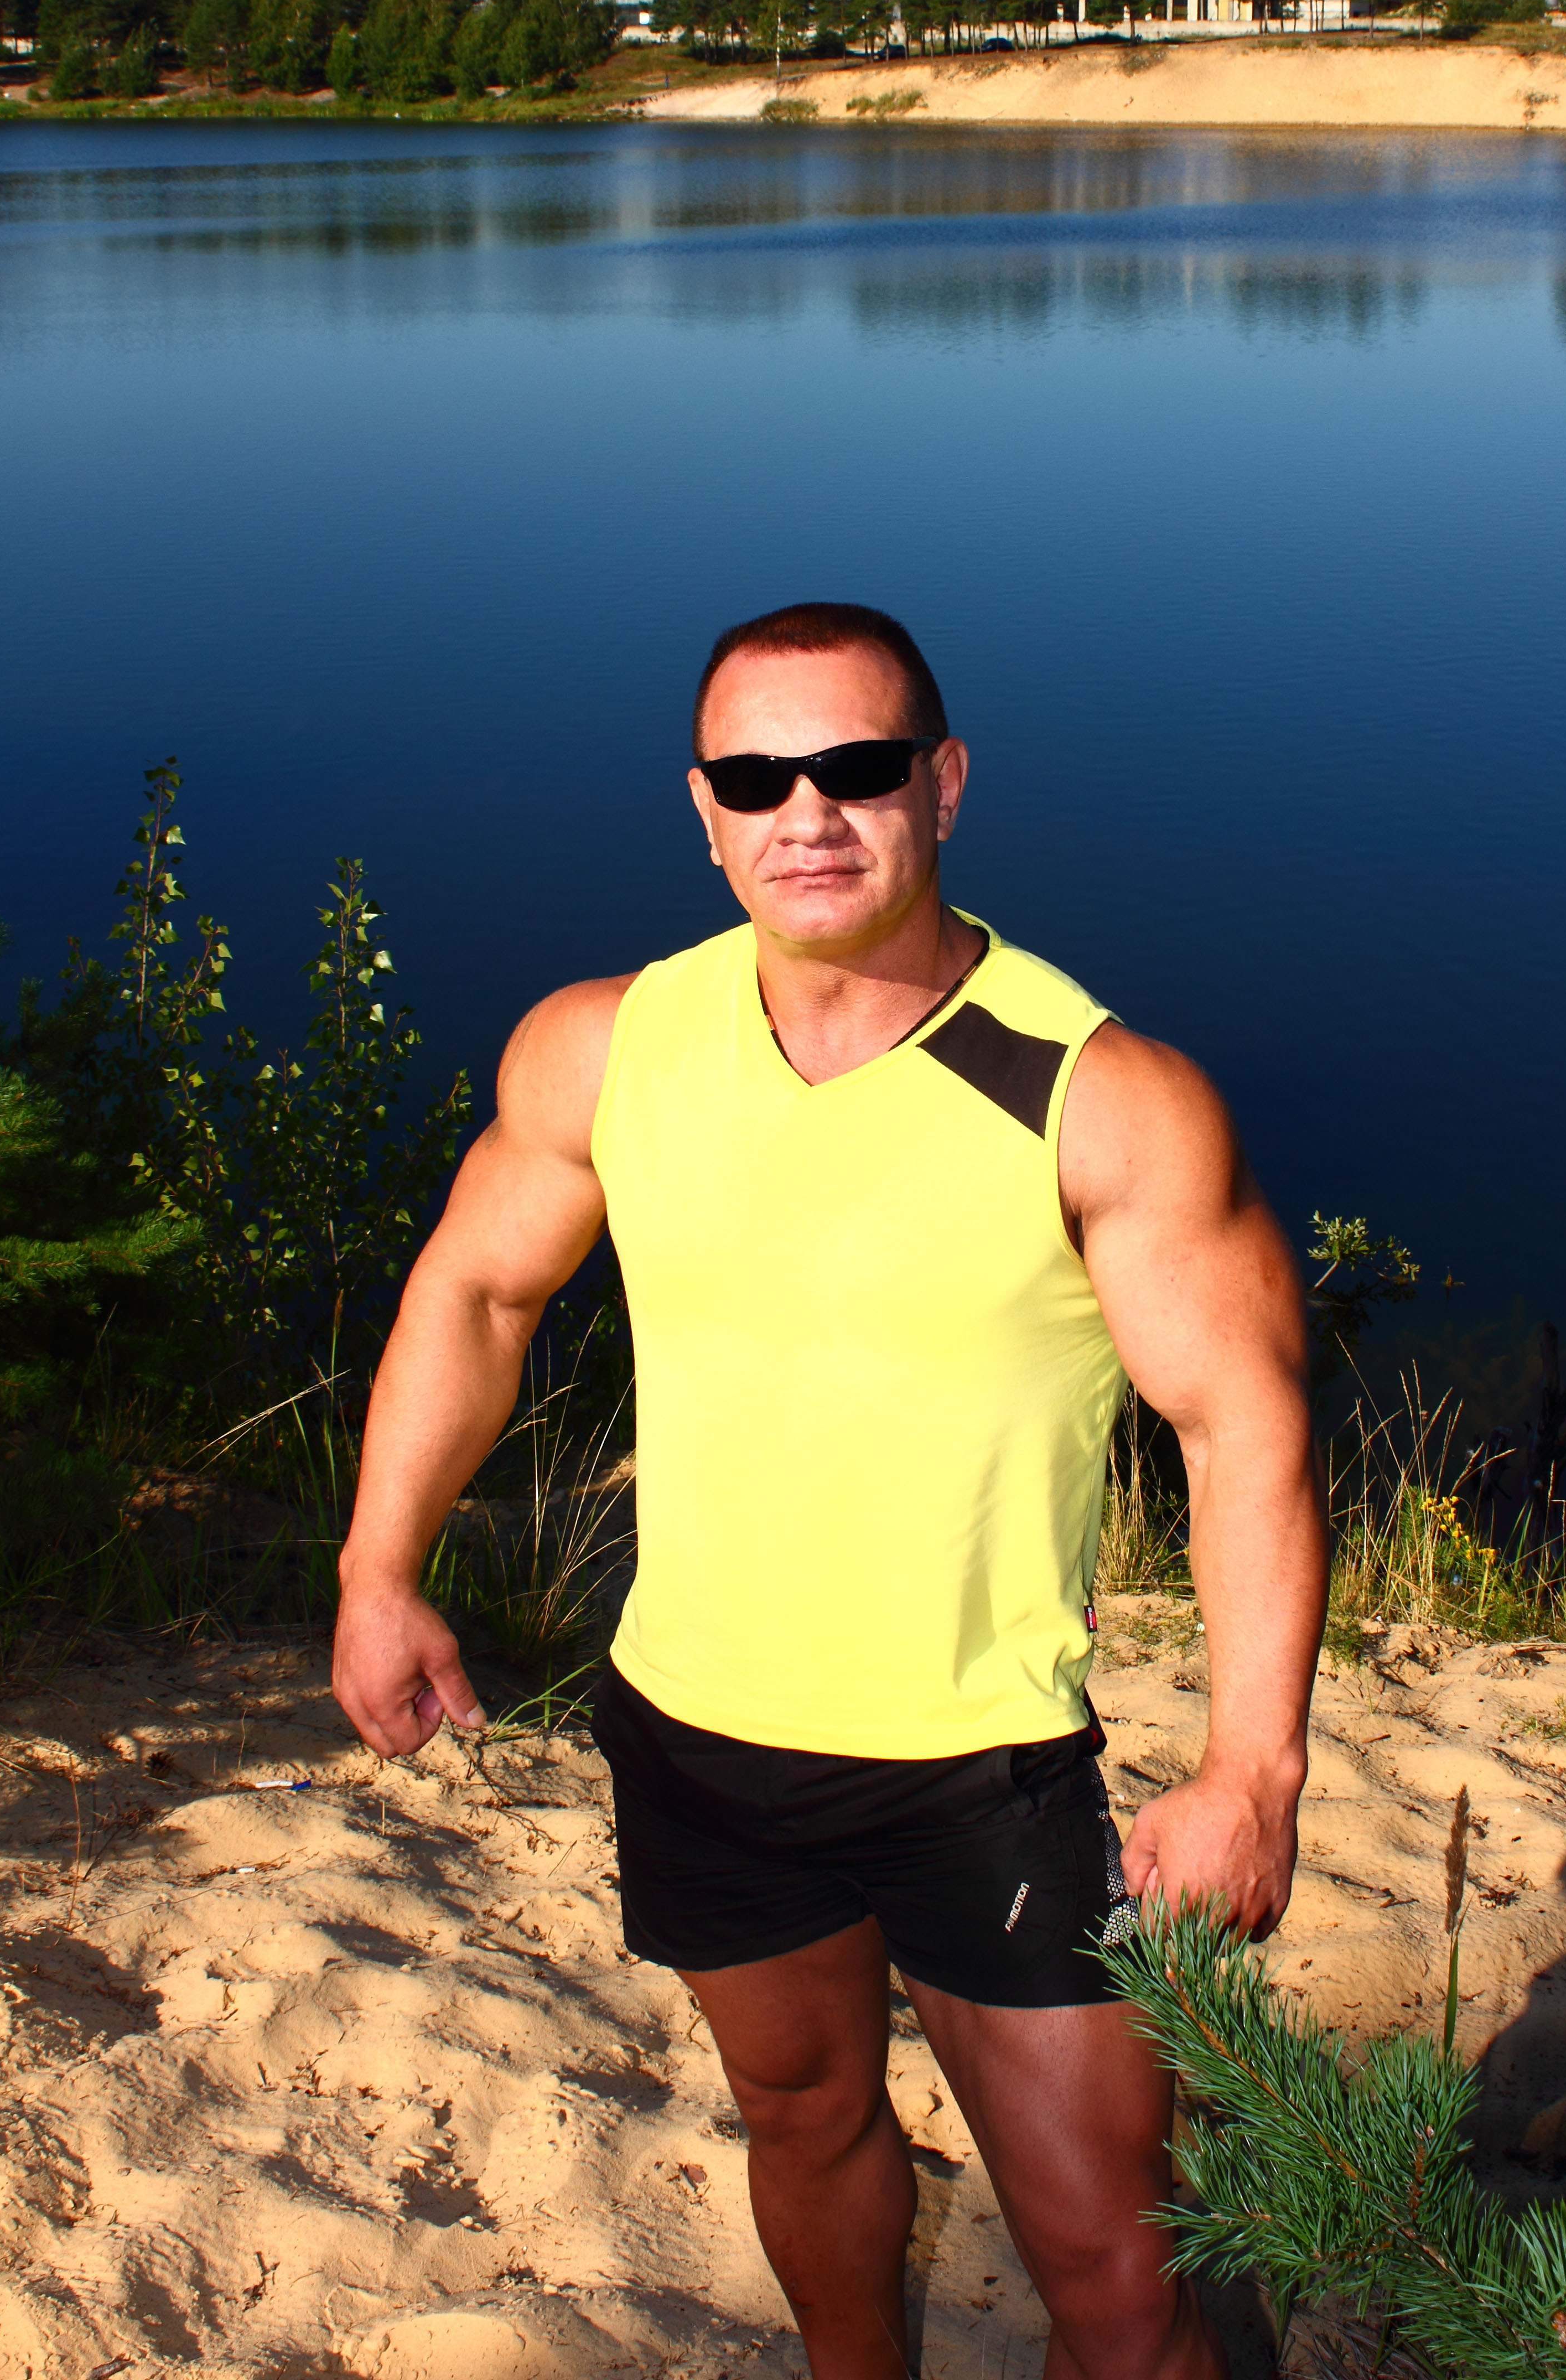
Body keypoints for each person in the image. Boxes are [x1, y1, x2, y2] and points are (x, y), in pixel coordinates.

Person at [333, 601, 1325, 2380]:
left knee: (1115, 2268)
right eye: (757, 779)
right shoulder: (610, 1046)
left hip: (982, 1770)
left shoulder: (1100, 1098)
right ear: (701, 811)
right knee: (800, 2122)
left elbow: (1242, 1428)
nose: (808, 814)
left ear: (943, 784)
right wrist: (377, 1568)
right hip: (697, 1738)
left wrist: (1253, 1769)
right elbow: (478, 1295)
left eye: (858, 769)